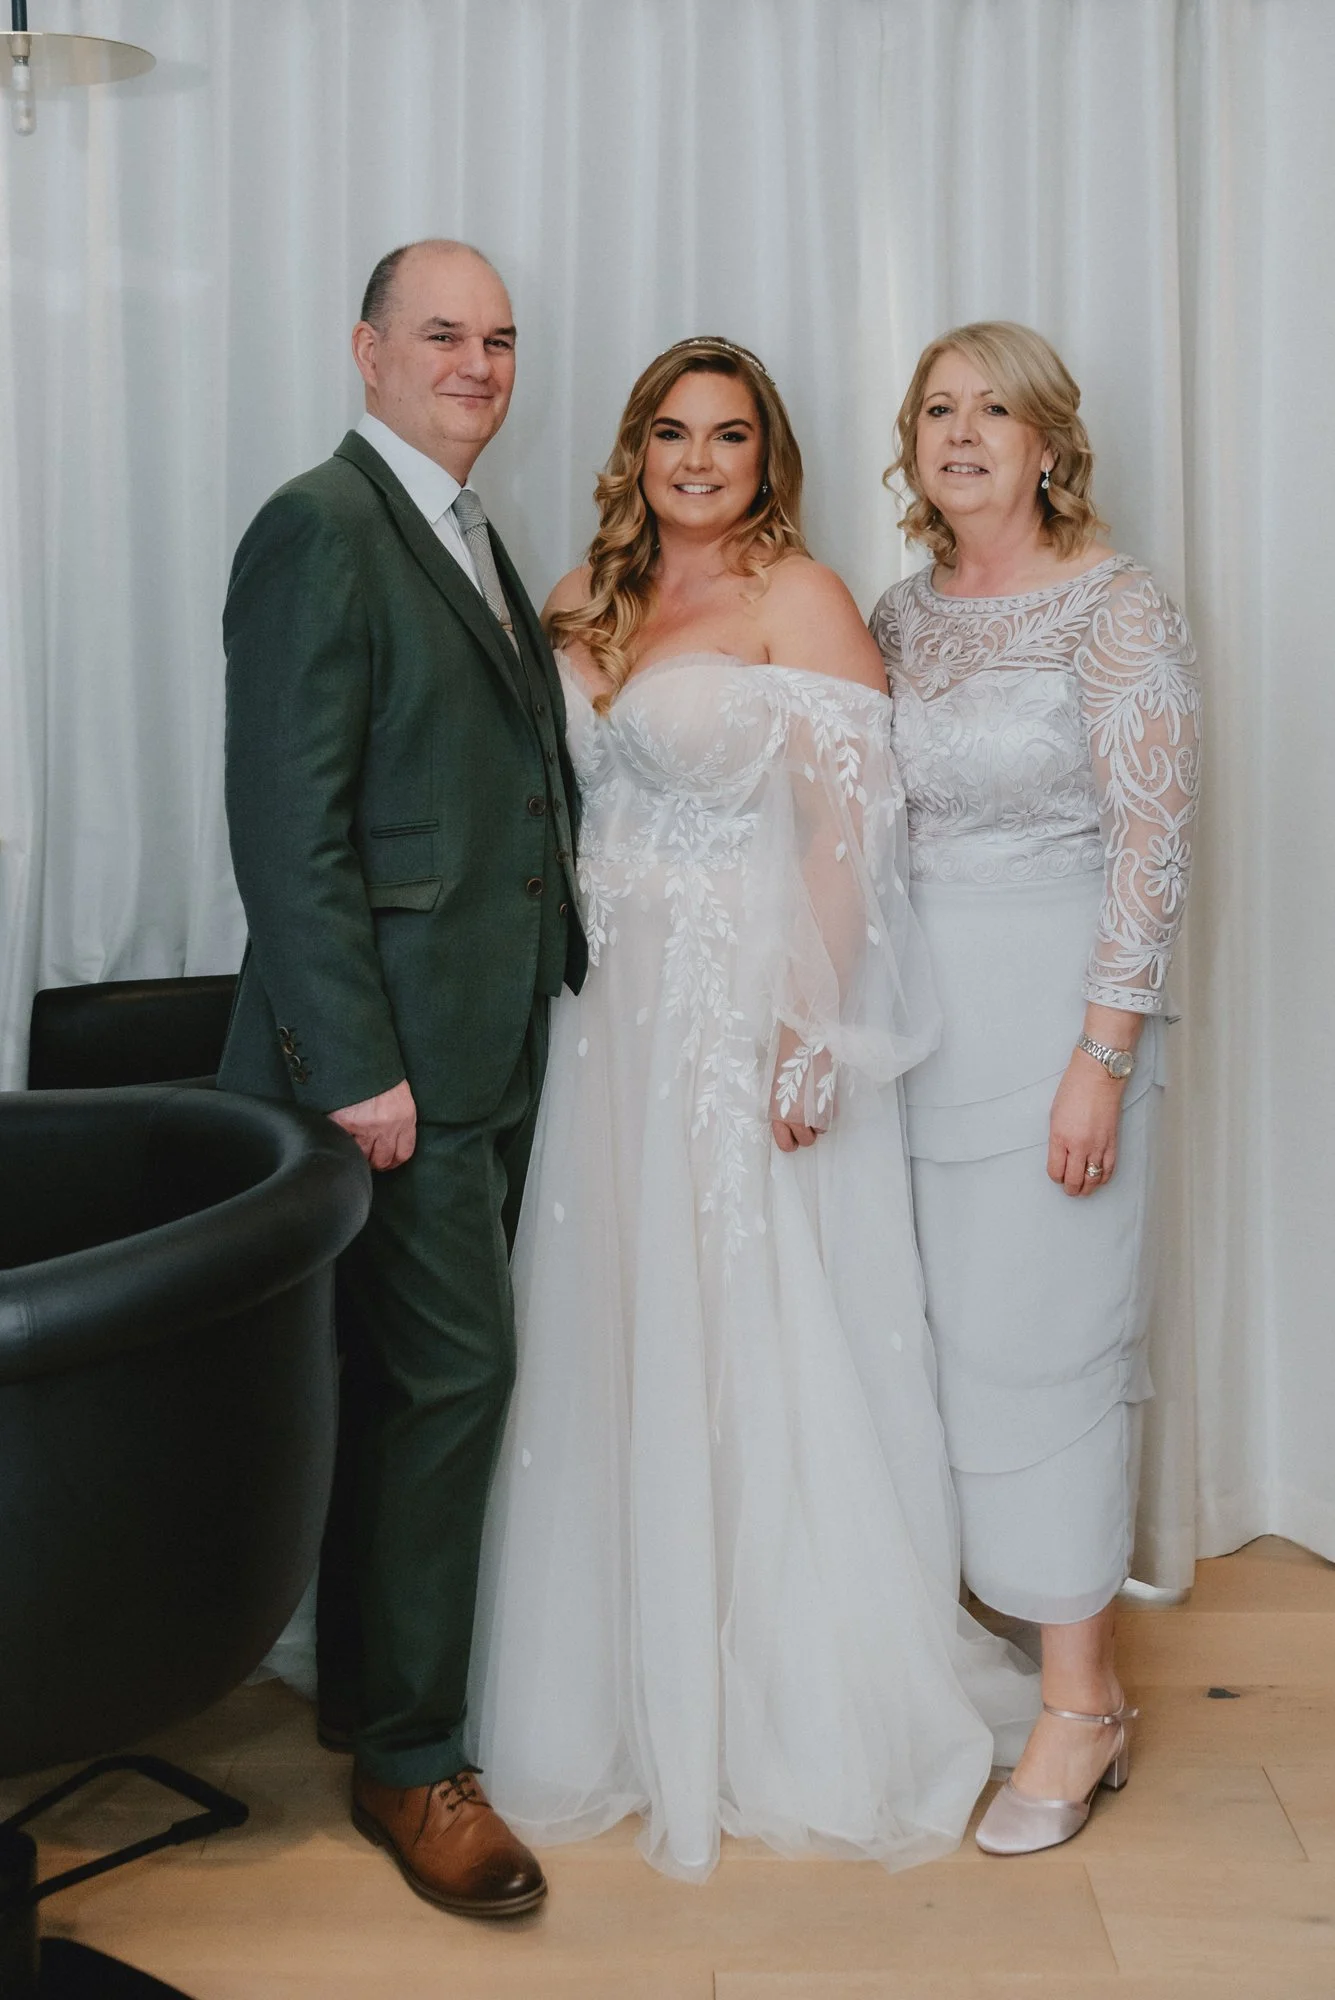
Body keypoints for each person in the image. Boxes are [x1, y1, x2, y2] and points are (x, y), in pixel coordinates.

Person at [465, 336, 1039, 1884]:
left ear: (763, 454)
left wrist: (812, 1032)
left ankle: (770, 1684)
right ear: (635, 450)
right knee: (608, 1318)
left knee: (749, 1319)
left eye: (727, 434)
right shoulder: (582, 599)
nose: (698, 459)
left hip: (736, 1006)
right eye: (670, 432)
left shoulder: (802, 598)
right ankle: (607, 1670)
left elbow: (856, 835)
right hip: (601, 1020)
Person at [219, 239, 586, 1916]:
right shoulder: (322, 523)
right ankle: (418, 1763)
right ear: (361, 348)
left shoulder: (461, 527)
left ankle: (366, 1698)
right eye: (442, 334)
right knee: (456, 1387)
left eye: (499, 340)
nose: (477, 363)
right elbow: (285, 832)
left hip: (482, 1043)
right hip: (390, 1068)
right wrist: (357, 1068)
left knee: (398, 1389)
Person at [869, 321, 1201, 1855]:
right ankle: (1018, 1652)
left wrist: (1101, 1055)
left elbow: (1153, 843)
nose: (961, 432)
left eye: (993, 408)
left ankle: (1082, 1703)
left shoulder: (1115, 606)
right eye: (937, 407)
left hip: (1060, 1024)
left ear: (1048, 441)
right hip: (918, 1029)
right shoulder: (897, 613)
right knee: (942, 1350)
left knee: (1052, 1343)